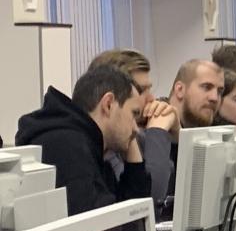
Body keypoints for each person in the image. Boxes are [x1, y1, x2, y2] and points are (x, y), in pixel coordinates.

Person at [16, 65, 150, 215]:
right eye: (133, 114)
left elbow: (134, 215)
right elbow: (105, 226)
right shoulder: (67, 148)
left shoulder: (89, 145)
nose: (136, 128)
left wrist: (130, 140)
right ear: (108, 104)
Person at [88, 49, 178, 207]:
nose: (151, 98)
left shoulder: (139, 136)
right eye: (141, 91)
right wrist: (158, 131)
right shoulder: (103, 148)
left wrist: (177, 134)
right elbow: (151, 203)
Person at [168, 60, 225, 129]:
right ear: (180, 89)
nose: (215, 98)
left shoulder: (218, 129)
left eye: (219, 92)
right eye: (206, 87)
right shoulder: (158, 128)